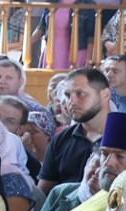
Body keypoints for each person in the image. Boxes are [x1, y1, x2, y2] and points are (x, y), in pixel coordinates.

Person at [38, 66, 108, 194]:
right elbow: (43, 195)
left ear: (105, 95)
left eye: (80, 94)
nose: (71, 102)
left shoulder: (124, 137)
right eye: (67, 95)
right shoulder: (61, 140)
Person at [40, 0, 96, 70]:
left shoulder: (88, 3)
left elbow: (91, 37)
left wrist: (89, 60)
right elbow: (41, 27)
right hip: (52, 49)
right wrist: (27, 42)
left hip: (76, 50)